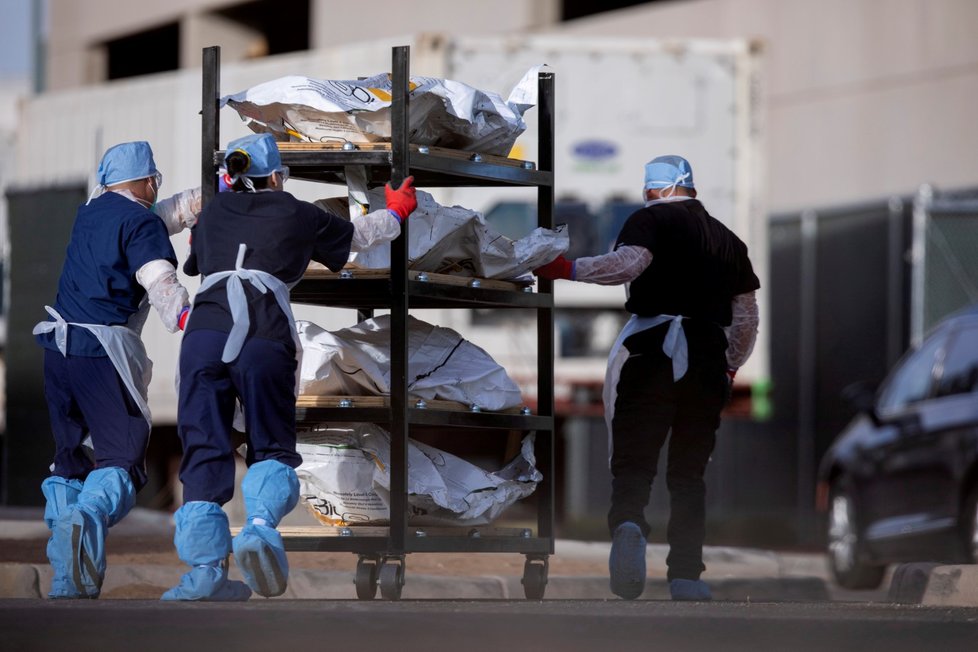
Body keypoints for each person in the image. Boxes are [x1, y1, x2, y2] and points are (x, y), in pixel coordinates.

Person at [162, 132, 418, 601]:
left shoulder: (213, 210)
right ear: (276, 176)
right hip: (262, 333)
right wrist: (397, 211)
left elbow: (200, 261)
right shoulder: (297, 210)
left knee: (204, 444)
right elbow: (359, 236)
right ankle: (259, 528)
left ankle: (203, 574)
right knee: (271, 443)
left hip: (203, 335)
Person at [534, 155, 760, 601]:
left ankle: (630, 524)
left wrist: (568, 269)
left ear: (654, 189)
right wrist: (731, 366)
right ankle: (686, 576)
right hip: (707, 359)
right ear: (690, 188)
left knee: (634, 462)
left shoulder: (649, 219)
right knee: (689, 473)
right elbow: (747, 316)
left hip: (653, 351)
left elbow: (628, 265)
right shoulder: (729, 241)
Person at [33, 141, 201, 599]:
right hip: (99, 354)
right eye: (154, 182)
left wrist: (197, 203)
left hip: (56, 350)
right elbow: (159, 279)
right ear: (147, 182)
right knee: (121, 459)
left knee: (71, 462)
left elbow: (146, 221)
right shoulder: (140, 223)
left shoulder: (92, 212)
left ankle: (68, 581)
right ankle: (86, 520)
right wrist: (193, 321)